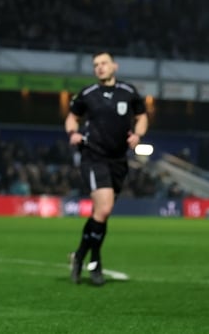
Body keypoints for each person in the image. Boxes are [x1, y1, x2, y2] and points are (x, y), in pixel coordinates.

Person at [65, 51, 148, 286]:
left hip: (118, 159)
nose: (99, 67)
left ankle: (80, 255)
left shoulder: (128, 92)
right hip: (93, 157)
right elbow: (72, 118)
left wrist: (138, 135)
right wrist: (73, 133)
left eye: (103, 63)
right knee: (104, 209)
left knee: (101, 214)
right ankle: (96, 262)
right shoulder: (87, 94)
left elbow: (142, 116)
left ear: (114, 66)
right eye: (95, 65)